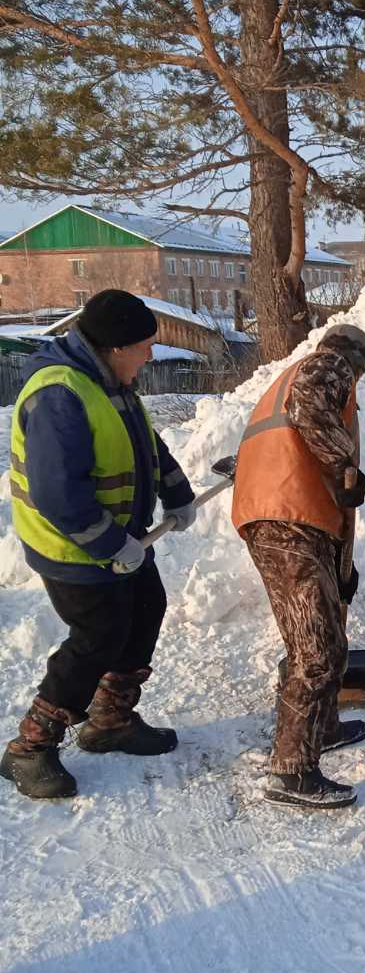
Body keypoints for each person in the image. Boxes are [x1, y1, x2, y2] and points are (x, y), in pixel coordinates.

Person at [2, 289, 197, 800]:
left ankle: (109, 719)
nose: (151, 355)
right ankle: (29, 747)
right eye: (145, 346)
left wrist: (177, 491)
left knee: (147, 606)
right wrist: (111, 544)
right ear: (114, 348)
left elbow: (144, 443)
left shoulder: (109, 382)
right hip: (73, 547)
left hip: (119, 540)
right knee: (98, 636)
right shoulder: (60, 394)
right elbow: (58, 494)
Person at [232, 325, 365, 811]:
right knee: (317, 649)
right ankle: (291, 771)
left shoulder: (287, 377)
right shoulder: (327, 366)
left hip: (289, 517)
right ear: (357, 362)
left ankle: (322, 727)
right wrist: (346, 466)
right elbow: (311, 408)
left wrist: (342, 566)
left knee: (322, 631)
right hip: (287, 517)